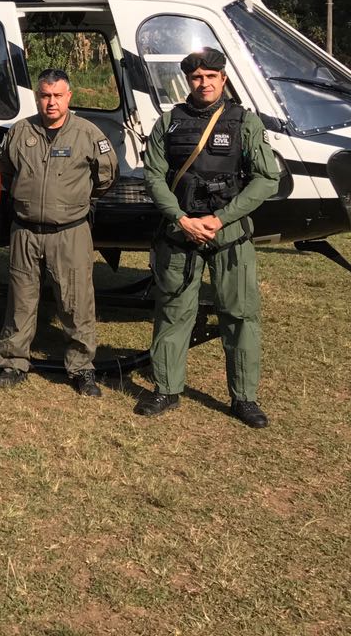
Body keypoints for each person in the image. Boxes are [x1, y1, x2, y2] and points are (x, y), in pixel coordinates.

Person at [134, 47, 280, 428]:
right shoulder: (169, 123)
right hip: (180, 232)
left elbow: (267, 178)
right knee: (173, 311)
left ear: (223, 79)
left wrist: (221, 218)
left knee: (240, 314)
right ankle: (166, 389)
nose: (204, 83)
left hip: (229, 235)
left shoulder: (245, 122)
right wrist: (181, 218)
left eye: (211, 77)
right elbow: (153, 176)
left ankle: (244, 398)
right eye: (196, 77)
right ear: (188, 80)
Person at [0, 68, 118, 394]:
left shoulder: (88, 134)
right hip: (25, 231)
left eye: (58, 96)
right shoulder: (20, 131)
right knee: (21, 300)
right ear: (37, 97)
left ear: (69, 97)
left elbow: (106, 176)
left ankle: (81, 368)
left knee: (76, 301)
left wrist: (71, 202)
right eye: (45, 96)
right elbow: (5, 171)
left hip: (70, 232)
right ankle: (13, 362)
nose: (51, 102)